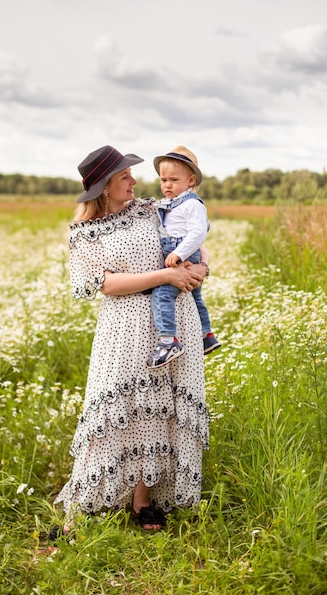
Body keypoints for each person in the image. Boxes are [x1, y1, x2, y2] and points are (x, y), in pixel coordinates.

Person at [53, 145, 209, 532]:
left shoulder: (152, 209)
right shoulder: (85, 232)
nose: (134, 180)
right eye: (125, 176)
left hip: (174, 318)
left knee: (159, 407)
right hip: (124, 325)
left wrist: (200, 269)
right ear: (105, 186)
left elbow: (194, 238)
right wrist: (164, 277)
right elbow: (103, 284)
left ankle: (143, 501)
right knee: (117, 406)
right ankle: (94, 490)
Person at [146, 146, 220, 369]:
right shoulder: (171, 203)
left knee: (162, 293)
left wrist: (179, 253)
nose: (167, 185)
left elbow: (198, 233)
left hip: (181, 251)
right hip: (181, 251)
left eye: (173, 180)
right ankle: (206, 336)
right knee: (196, 295)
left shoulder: (191, 204)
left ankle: (168, 341)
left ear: (190, 181)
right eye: (163, 179)